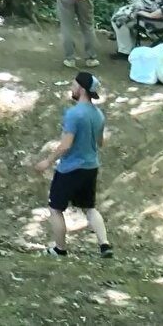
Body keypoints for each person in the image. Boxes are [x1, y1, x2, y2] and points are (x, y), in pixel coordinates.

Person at [34, 71, 113, 259]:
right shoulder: (99, 115)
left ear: (81, 89)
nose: (72, 88)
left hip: (70, 168)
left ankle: (60, 249)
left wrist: (48, 160)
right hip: (91, 167)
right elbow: (101, 143)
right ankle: (104, 244)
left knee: (56, 208)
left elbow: (66, 144)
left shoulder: (74, 114)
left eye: (74, 85)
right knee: (89, 208)